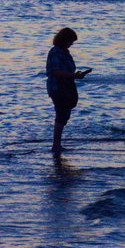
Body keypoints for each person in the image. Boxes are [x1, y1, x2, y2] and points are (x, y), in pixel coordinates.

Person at [46, 27, 89, 155]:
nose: (72, 44)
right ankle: (56, 145)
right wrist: (74, 76)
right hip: (57, 87)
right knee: (61, 114)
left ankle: (57, 144)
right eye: (71, 41)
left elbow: (67, 71)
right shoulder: (56, 52)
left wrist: (76, 75)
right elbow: (56, 72)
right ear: (64, 39)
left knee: (64, 114)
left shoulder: (65, 52)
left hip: (66, 86)